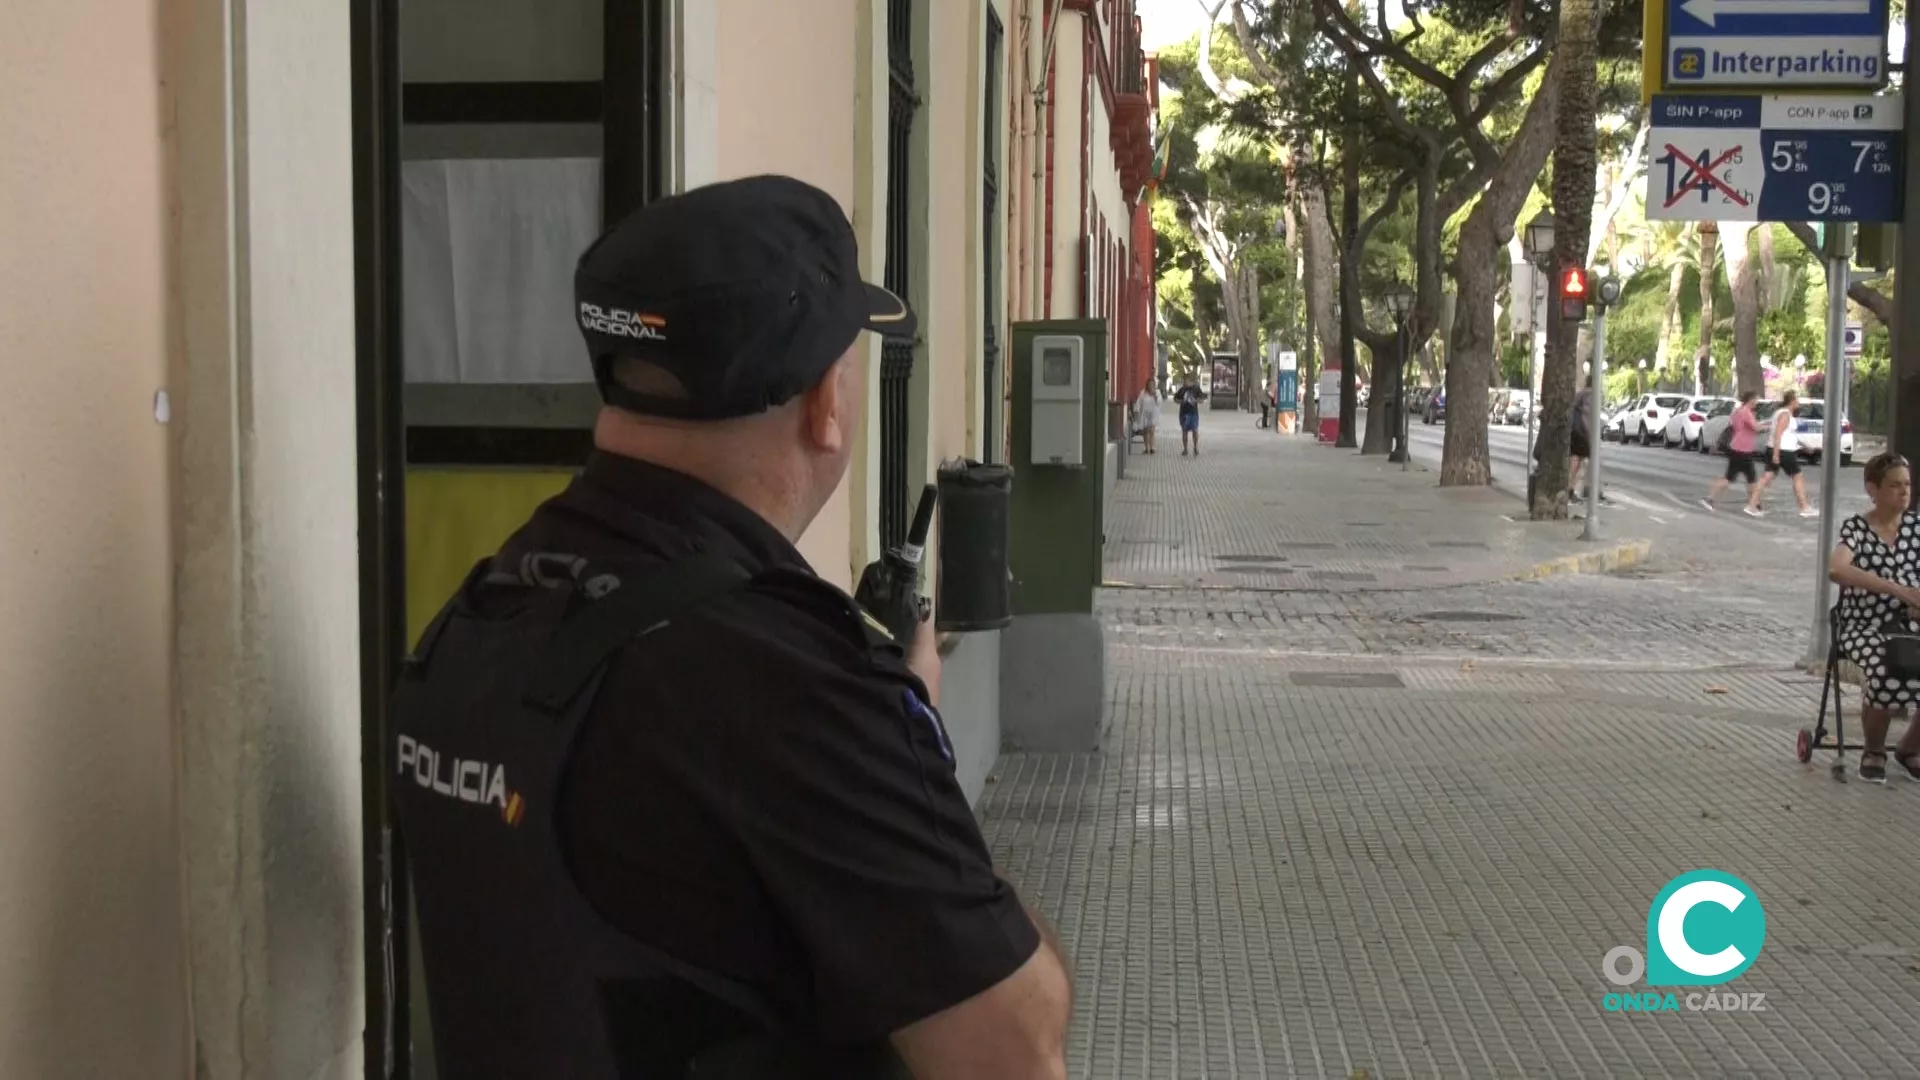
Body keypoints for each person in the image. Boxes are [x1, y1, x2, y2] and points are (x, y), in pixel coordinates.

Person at [389, 175, 1071, 1078]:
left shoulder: (486, 608)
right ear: (827, 403)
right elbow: (1016, 1047)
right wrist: (913, 759)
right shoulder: (798, 691)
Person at [1828, 452, 1920, 783]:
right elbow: (1837, 569)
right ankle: (1874, 750)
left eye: (1907, 484)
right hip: (1863, 626)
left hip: (1910, 625)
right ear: (1873, 489)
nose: (1904, 491)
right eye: (1895, 485)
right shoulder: (1857, 528)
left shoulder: (1916, 528)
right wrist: (1895, 589)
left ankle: (1909, 747)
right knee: (1885, 666)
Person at [1749, 388, 1815, 518]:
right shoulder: (1785, 415)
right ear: (1791, 401)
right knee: (1797, 477)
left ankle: (1751, 505)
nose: (1798, 403)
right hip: (1784, 451)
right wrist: (1776, 454)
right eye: (1797, 400)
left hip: (1776, 448)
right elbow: (1778, 434)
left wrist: (1804, 446)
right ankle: (1804, 507)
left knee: (1766, 477)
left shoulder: (1780, 413)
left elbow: (1788, 435)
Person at [1701, 390, 1761, 514]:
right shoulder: (1746, 412)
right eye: (1756, 400)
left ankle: (1755, 504)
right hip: (1743, 449)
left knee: (1736, 478)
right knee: (1750, 479)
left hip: (1737, 448)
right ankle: (1753, 505)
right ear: (1751, 400)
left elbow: (1736, 426)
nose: (1757, 403)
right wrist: (1770, 426)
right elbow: (1755, 427)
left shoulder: (1738, 411)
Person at [1175, 376, 1206, 455]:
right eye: (1185, 381)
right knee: (1184, 431)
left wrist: (1196, 400)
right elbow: (1176, 399)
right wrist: (1181, 401)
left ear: (1192, 381)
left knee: (1195, 431)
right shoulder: (1182, 390)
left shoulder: (1196, 389)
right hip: (1184, 414)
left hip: (1193, 413)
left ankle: (1195, 447)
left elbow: (1202, 399)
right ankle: (1185, 449)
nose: (1186, 382)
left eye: (1188, 381)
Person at [1135, 383, 1160, 454]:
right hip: (1145, 414)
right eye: (1149, 384)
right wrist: (1137, 411)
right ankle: (1146, 448)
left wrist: (1155, 395)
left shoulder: (1157, 392)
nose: (1150, 386)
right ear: (1147, 385)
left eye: (1152, 385)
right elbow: (1139, 402)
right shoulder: (1143, 392)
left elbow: (1159, 402)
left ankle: (1152, 447)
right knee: (1145, 432)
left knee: (1152, 431)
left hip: (1153, 414)